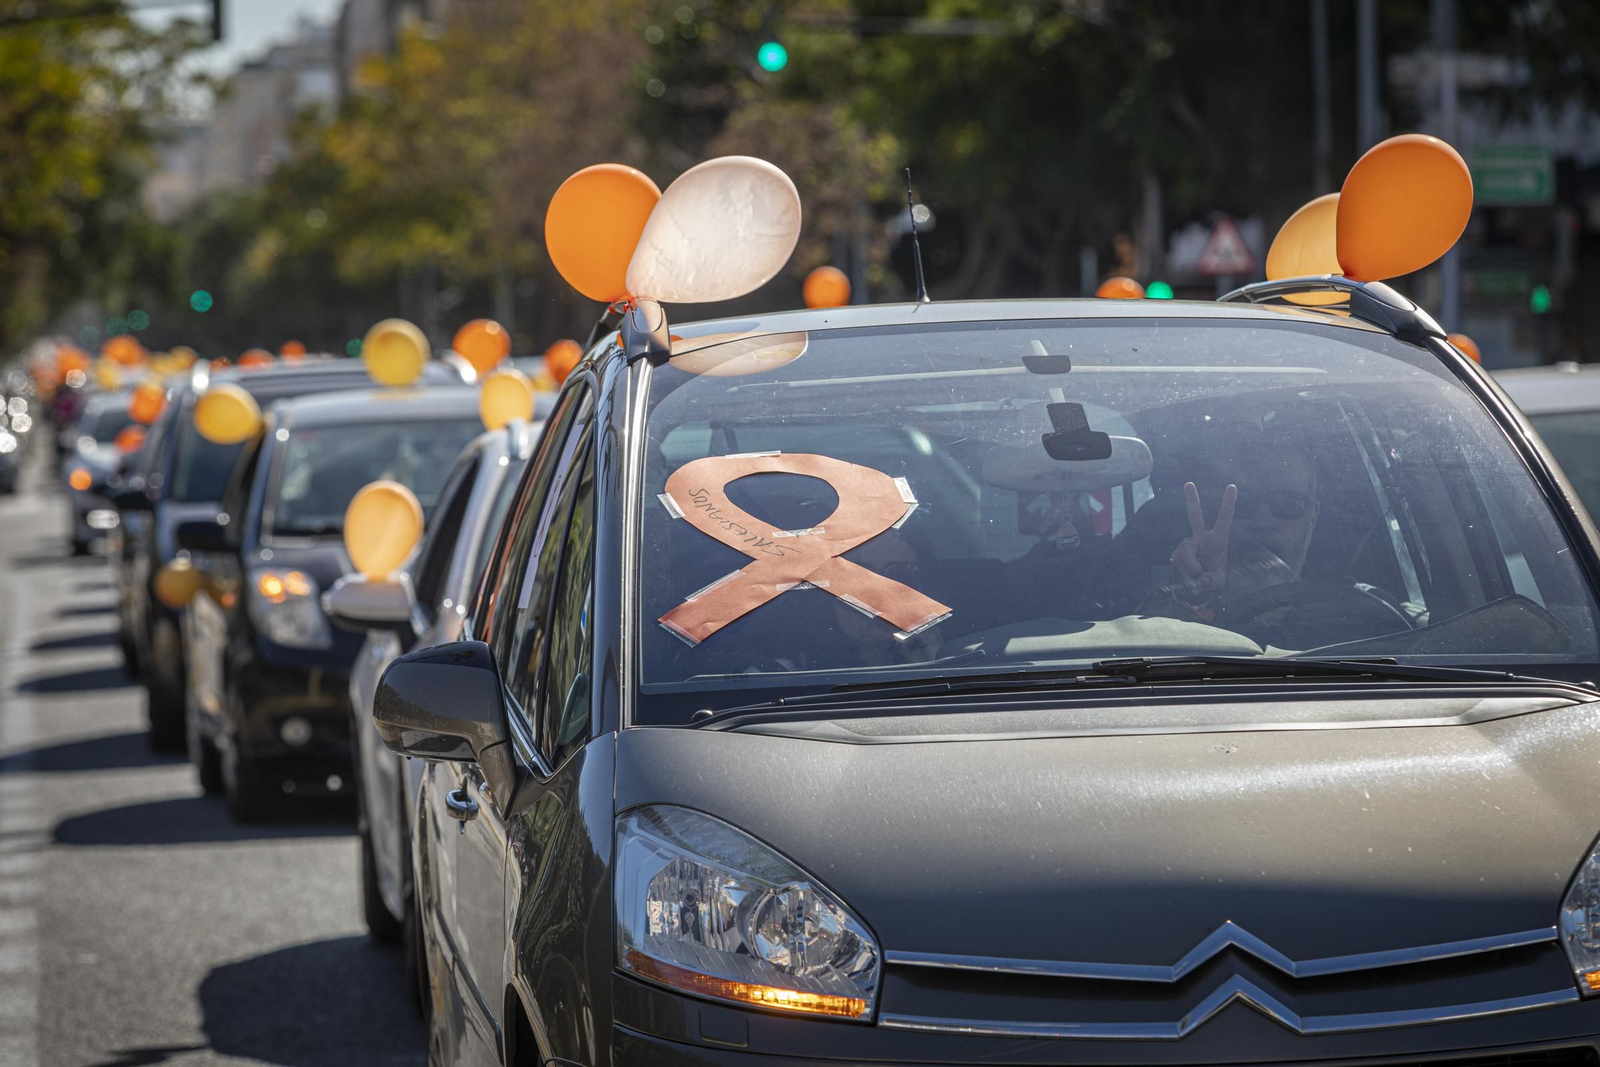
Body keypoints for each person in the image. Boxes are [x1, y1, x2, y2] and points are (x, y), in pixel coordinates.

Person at [1164, 440, 1320, 619]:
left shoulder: (1348, 611)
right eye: (1243, 502)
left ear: (1313, 516)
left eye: (1287, 504)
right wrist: (1191, 600)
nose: (1263, 521)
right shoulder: (1182, 608)